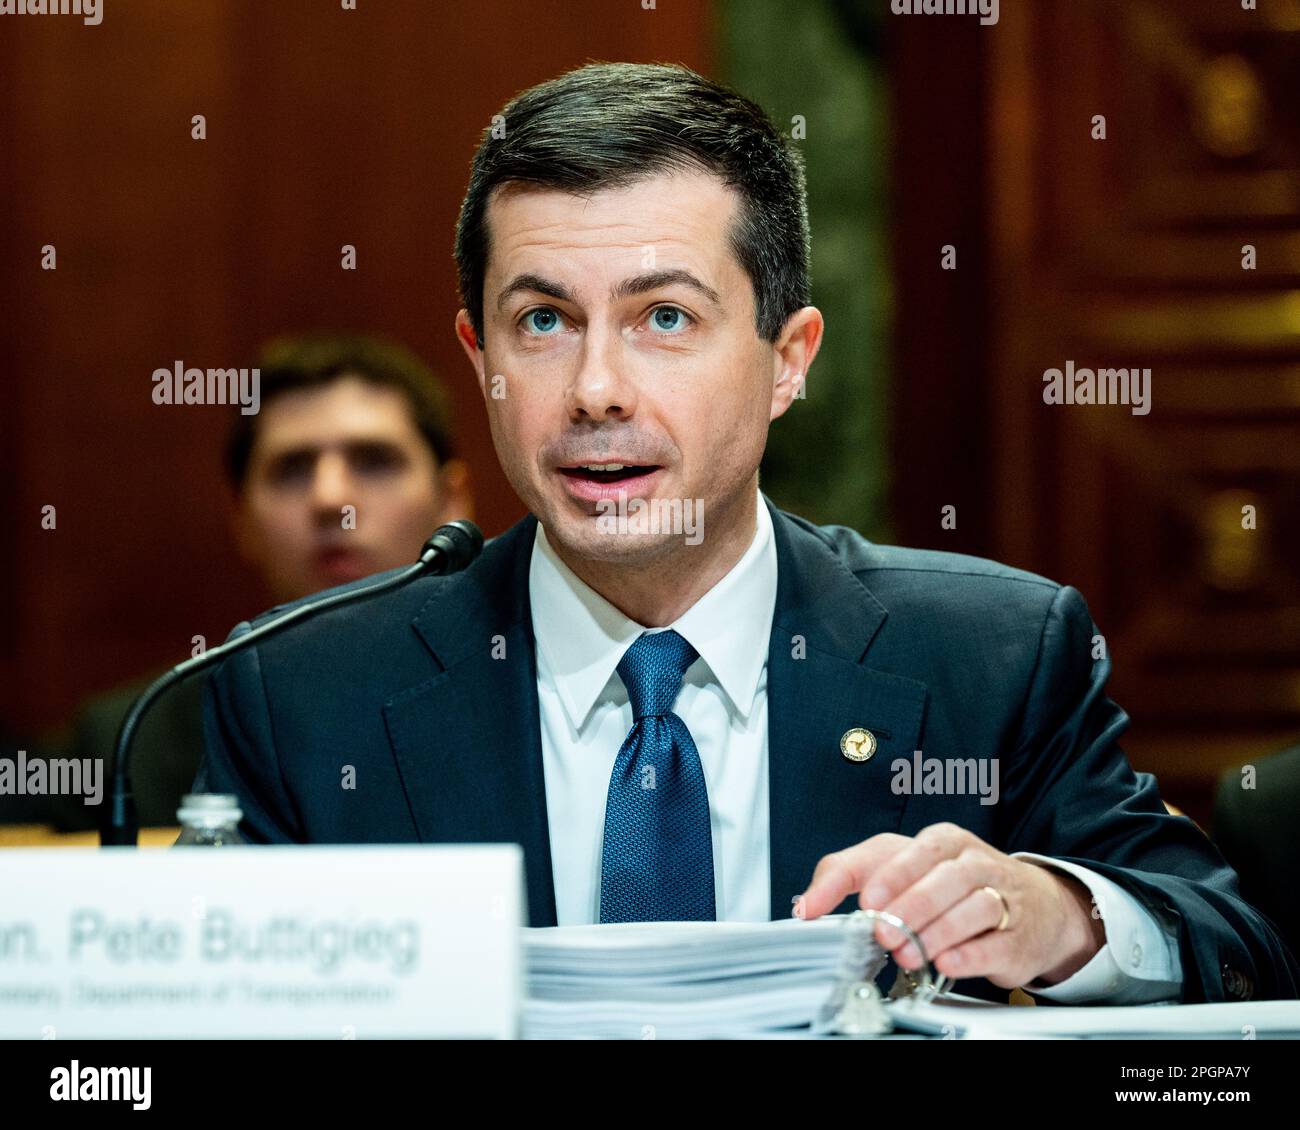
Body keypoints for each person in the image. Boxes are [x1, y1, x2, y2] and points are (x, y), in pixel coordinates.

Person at [196, 63, 1298, 1004]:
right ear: (479, 358)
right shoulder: (301, 692)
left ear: (789, 357)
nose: (594, 389)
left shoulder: (993, 652)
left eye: (663, 317)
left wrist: (1058, 914)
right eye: (541, 321)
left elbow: (1234, 944)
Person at [50, 334, 472, 831]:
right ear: (241, 518)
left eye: (373, 461)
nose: (330, 498)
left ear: (451, 500)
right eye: (292, 469)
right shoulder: (132, 741)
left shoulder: (525, 701)